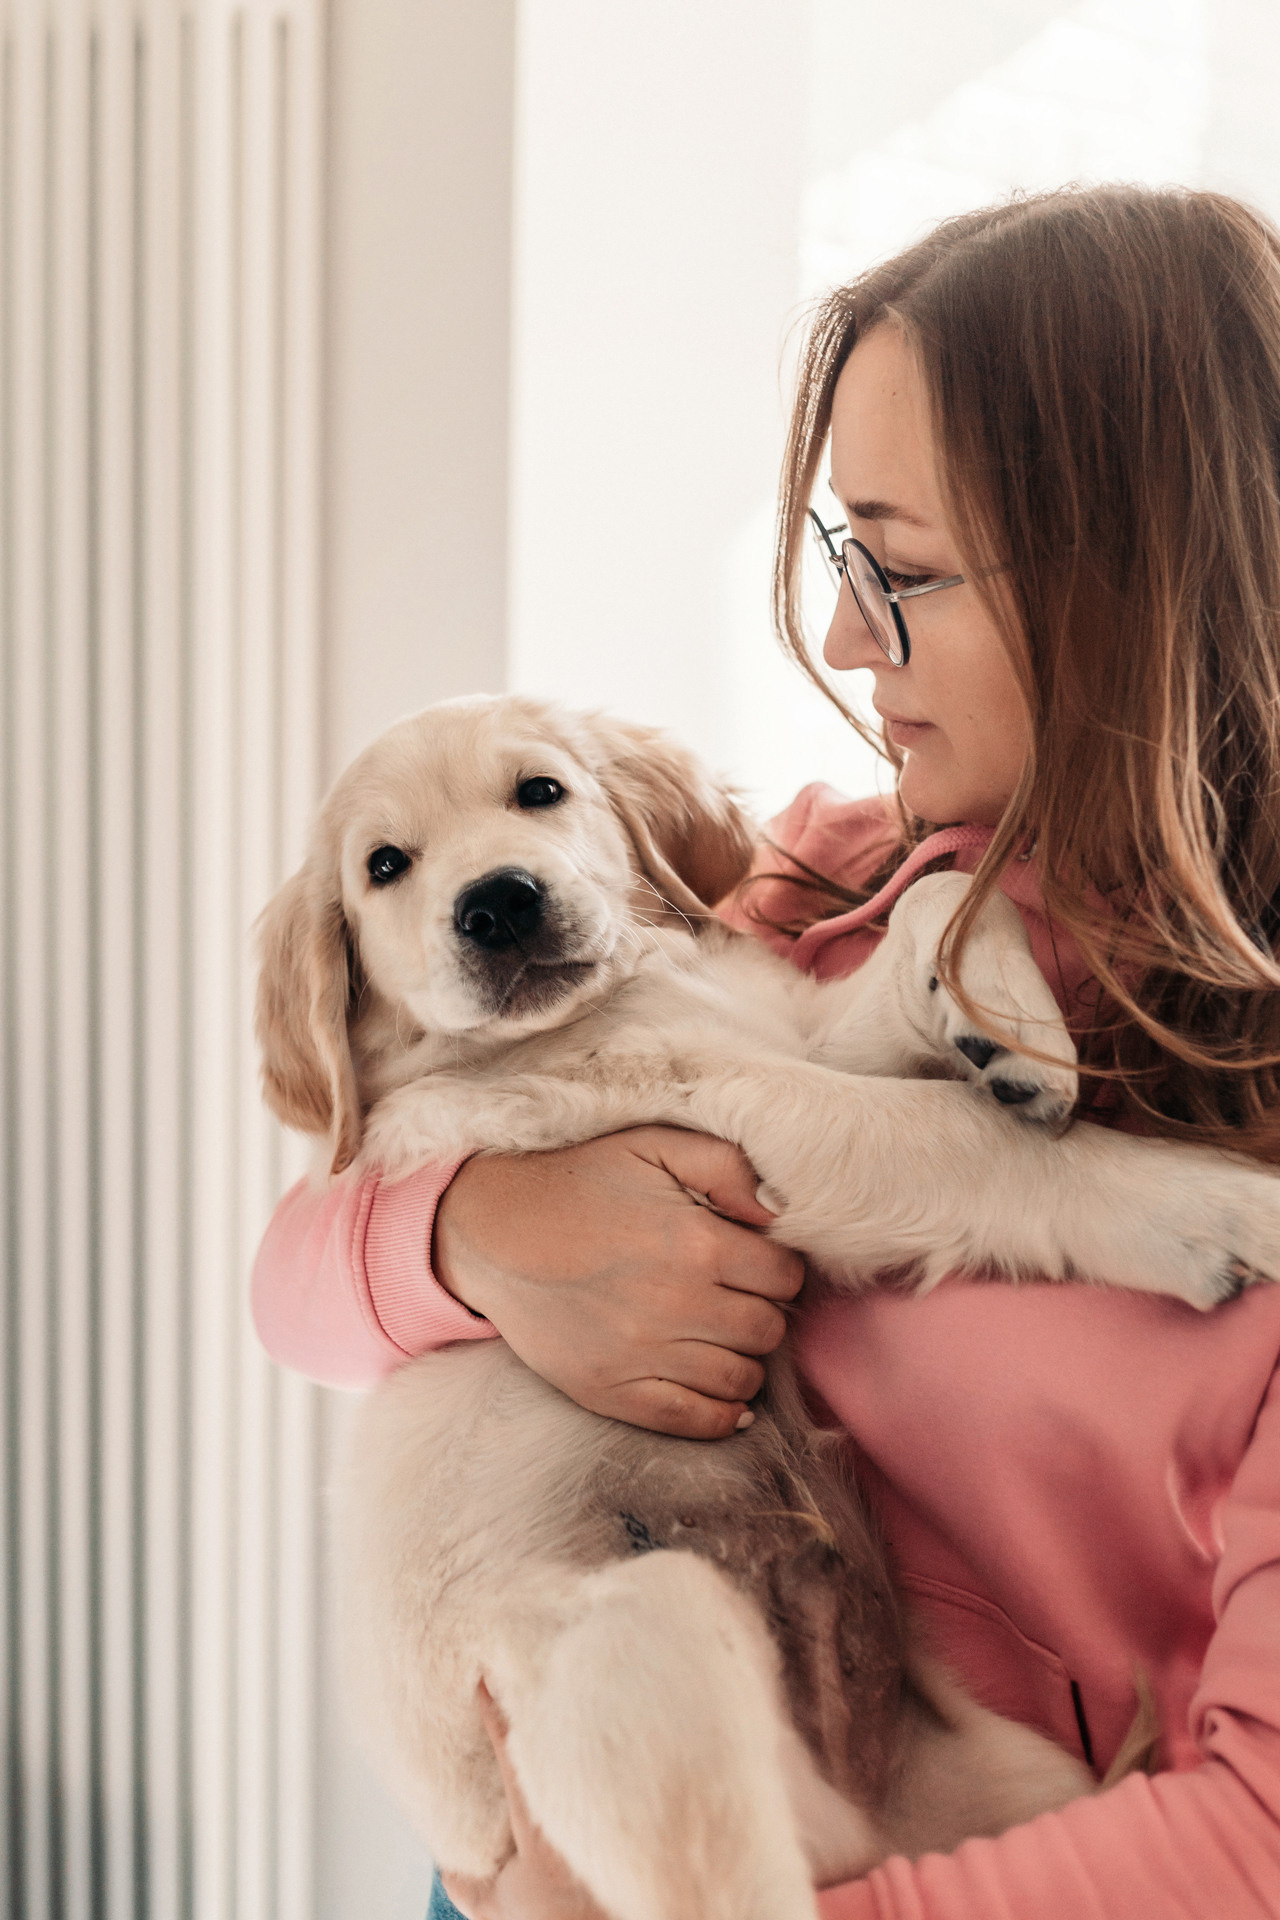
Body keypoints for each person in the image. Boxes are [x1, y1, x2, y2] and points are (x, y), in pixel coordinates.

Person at [253, 185, 1280, 1917]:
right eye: (839, 559)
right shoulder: (825, 877)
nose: (840, 641)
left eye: (912, 571)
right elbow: (296, 1286)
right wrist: (480, 1236)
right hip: (596, 1758)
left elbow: (1255, 1842)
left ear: (1141, 578)